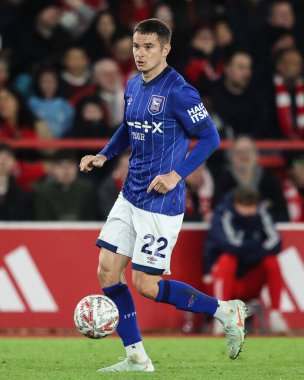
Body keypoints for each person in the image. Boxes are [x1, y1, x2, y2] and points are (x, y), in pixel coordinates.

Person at [79, 19, 248, 373]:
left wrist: (176, 175)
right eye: (136, 46)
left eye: (148, 47)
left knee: (146, 285)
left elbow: (210, 138)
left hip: (161, 201)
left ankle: (224, 311)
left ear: (165, 49)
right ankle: (136, 358)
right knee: (108, 271)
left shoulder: (179, 90)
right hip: (130, 192)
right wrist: (104, 154)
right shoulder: (132, 85)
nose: (140, 54)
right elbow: (129, 127)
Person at [204, 187, 289, 334]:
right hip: (221, 282)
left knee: (271, 261)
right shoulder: (222, 214)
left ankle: (276, 314)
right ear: (235, 203)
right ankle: (221, 314)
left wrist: (248, 251)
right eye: (244, 206)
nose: (248, 211)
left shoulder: (263, 213)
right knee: (227, 259)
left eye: (252, 206)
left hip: (250, 280)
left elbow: (276, 243)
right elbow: (227, 245)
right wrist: (257, 248)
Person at [213, 136, 289, 222]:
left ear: (256, 155)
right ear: (231, 157)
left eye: (248, 151)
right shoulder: (222, 182)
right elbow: (218, 213)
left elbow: (283, 216)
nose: (244, 156)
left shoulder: (271, 182)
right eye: (239, 152)